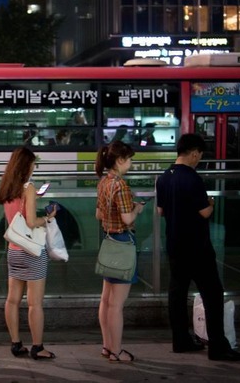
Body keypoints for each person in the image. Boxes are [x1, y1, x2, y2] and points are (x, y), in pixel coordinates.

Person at [155, 133, 240, 361]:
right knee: (212, 294)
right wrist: (211, 204)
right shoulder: (193, 178)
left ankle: (181, 340)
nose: (199, 160)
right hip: (197, 246)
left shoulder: (164, 177)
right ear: (194, 152)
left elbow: (160, 211)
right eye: (199, 156)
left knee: (177, 294)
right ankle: (218, 346)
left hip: (175, 244)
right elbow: (204, 212)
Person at [0, 147, 57, 360]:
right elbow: (31, 222)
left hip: (13, 250)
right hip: (31, 252)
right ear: (26, 165)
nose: (33, 167)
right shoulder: (28, 188)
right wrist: (48, 218)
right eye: (32, 163)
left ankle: (16, 344)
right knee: (34, 303)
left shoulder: (6, 188)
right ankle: (38, 347)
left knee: (12, 300)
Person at [94, 141, 145, 362]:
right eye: (130, 159)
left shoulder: (103, 182)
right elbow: (127, 219)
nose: (131, 163)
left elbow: (98, 215)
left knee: (106, 299)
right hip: (122, 243)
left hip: (108, 243)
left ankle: (107, 346)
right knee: (117, 304)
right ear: (120, 160)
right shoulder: (121, 186)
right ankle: (116, 350)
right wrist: (137, 208)